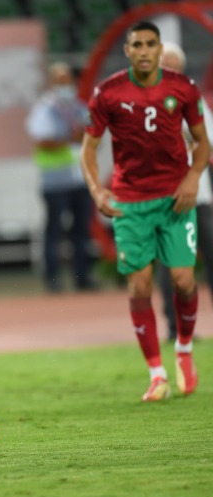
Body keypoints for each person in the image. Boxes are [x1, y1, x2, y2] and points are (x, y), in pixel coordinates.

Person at [80, 20, 209, 402]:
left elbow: (203, 144)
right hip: (131, 202)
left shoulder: (182, 88)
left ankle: (184, 350)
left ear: (158, 48)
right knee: (139, 286)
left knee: (184, 281)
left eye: (150, 44)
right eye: (137, 44)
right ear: (127, 49)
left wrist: (192, 177)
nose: (144, 51)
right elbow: (88, 150)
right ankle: (156, 373)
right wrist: (97, 191)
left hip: (175, 199)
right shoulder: (107, 93)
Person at [154, 42, 213, 342]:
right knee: (171, 265)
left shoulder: (195, 101)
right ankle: (176, 330)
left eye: (175, 63)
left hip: (200, 196)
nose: (170, 69)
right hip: (166, 199)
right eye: (165, 63)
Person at [26, 62, 95, 292]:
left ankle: (82, 277)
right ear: (52, 83)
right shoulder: (44, 109)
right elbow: (42, 139)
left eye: (67, 80)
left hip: (80, 178)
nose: (65, 84)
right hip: (55, 181)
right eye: (60, 80)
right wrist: (69, 138)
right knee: (54, 230)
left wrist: (84, 134)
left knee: (82, 230)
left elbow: (93, 128)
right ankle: (52, 278)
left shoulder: (80, 107)